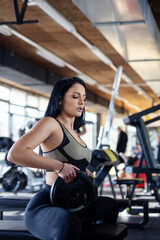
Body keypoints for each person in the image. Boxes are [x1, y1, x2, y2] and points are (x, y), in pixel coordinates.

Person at [7, 77, 119, 240]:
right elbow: (15, 153)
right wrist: (59, 167)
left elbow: (73, 163)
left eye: (84, 98)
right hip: (49, 203)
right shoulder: (50, 123)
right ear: (60, 99)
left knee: (110, 206)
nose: (81, 102)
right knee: (69, 223)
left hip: (75, 202)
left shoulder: (75, 132)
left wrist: (83, 171)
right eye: (75, 96)